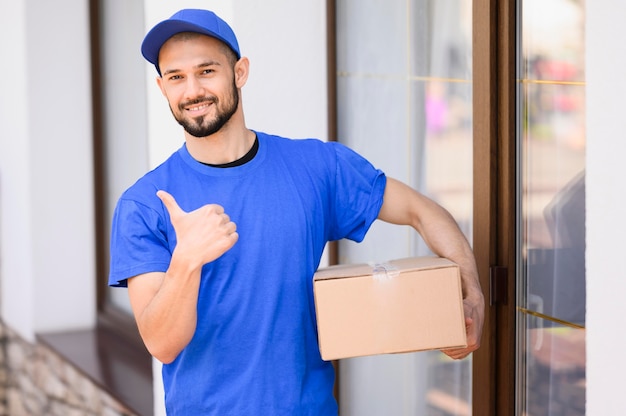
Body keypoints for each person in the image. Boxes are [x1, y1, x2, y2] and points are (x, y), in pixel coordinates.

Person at [109, 8, 484, 415]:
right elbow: (161, 343)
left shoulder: (315, 166)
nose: (193, 90)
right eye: (177, 77)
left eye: (207, 70)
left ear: (240, 72)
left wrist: (472, 297)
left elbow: (422, 211)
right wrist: (187, 260)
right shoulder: (145, 204)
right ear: (162, 87)